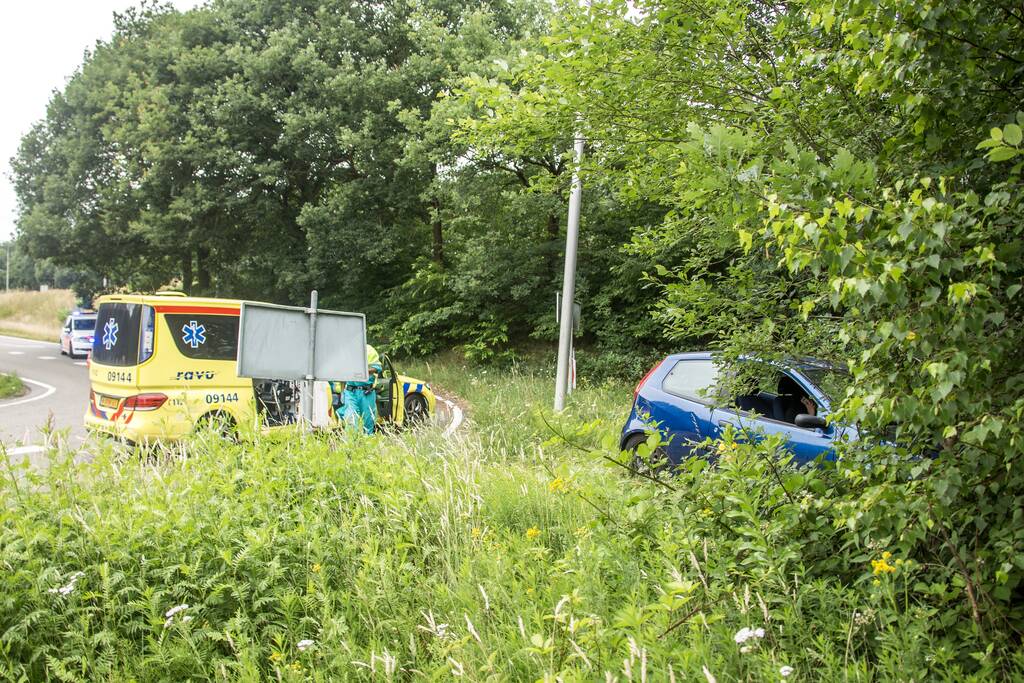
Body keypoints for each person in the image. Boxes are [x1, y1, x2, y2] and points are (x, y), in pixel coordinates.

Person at [336, 345, 383, 434]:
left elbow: (377, 368)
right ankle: (351, 440)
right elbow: (341, 374)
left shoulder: (369, 350)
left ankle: (368, 439)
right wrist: (342, 392)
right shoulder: (346, 351)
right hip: (350, 392)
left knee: (368, 420)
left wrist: (360, 370)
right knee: (351, 418)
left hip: (366, 392)